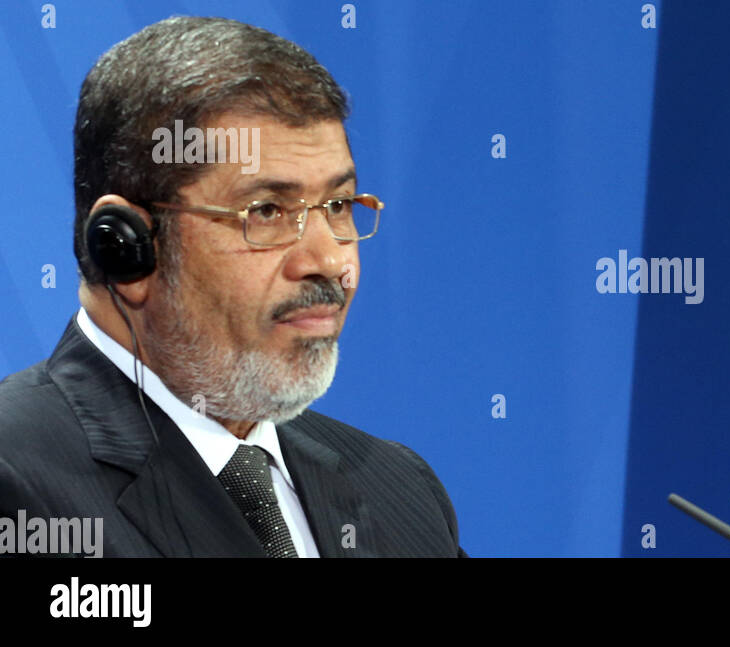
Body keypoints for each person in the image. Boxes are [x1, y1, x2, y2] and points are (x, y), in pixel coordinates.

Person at [0, 17, 465, 557]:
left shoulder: (399, 489)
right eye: (266, 211)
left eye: (337, 206)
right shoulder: (16, 485)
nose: (331, 261)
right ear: (128, 247)